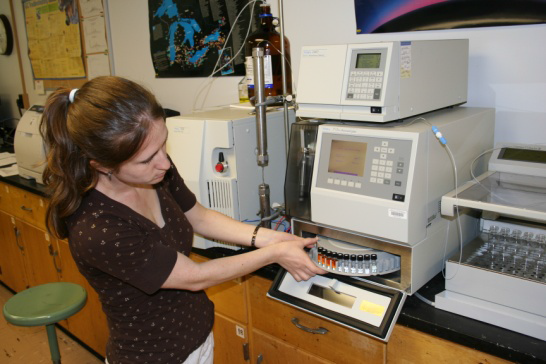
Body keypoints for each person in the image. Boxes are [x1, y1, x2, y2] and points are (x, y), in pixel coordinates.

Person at [40, 76, 325, 364]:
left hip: (197, 339)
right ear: (102, 165)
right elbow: (194, 277)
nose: (164, 162)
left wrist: (267, 237)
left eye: (164, 144)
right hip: (155, 356)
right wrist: (273, 253)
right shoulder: (97, 229)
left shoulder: (155, 168)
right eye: (147, 159)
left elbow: (199, 217)